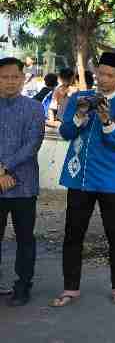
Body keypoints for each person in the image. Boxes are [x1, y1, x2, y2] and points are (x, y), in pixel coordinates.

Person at [51, 52, 115, 307]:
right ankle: (70, 288)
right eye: (101, 73)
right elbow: (65, 133)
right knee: (73, 234)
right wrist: (79, 116)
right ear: (96, 72)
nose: (103, 79)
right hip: (80, 178)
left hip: (110, 180)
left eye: (110, 75)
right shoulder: (78, 98)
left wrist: (106, 120)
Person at [0, 57, 46, 306]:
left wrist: (5, 169)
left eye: (14, 77)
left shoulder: (34, 108)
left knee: (25, 238)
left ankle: (23, 285)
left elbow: (33, 144)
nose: (10, 82)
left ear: (23, 77)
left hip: (24, 185)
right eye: (4, 77)